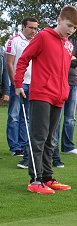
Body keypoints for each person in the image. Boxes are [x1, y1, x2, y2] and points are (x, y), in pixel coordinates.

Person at [14, 6, 77, 194]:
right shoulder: (42, 37)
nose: (71, 30)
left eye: (75, 28)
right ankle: (35, 180)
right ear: (59, 20)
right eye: (69, 25)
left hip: (59, 97)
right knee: (39, 138)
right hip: (41, 94)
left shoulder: (69, 44)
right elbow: (23, 59)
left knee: (51, 139)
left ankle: (47, 177)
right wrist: (18, 83)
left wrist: (65, 91)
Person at [5, 18, 38, 169]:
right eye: (31, 27)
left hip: (33, 84)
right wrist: (15, 83)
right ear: (23, 26)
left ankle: (25, 145)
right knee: (14, 115)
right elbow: (10, 63)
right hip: (18, 83)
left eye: (35, 28)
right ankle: (14, 146)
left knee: (28, 117)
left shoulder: (36, 41)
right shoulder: (14, 40)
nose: (33, 31)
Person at [52, 37, 77, 168]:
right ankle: (53, 151)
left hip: (74, 83)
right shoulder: (55, 40)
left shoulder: (75, 42)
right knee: (57, 118)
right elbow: (56, 61)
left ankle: (68, 146)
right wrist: (70, 58)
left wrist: (69, 59)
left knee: (70, 118)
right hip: (59, 83)